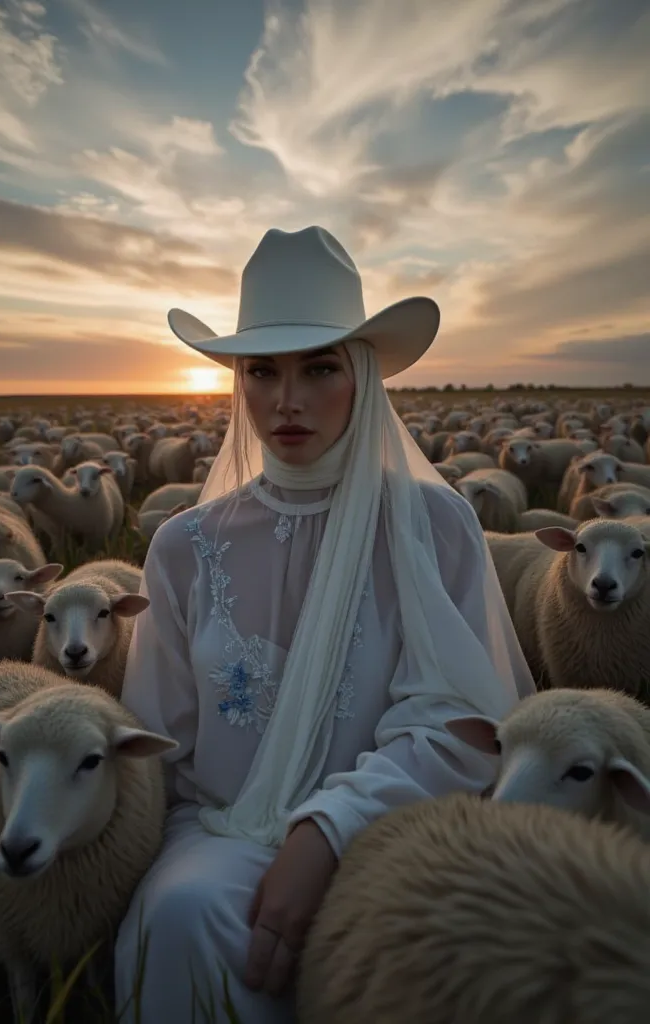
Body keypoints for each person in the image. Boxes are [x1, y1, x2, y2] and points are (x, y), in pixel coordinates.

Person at [114, 225, 534, 1023]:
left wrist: (327, 831)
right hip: (220, 833)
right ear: (237, 383)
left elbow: (460, 719)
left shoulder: (432, 527)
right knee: (185, 914)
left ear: (363, 376)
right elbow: (159, 743)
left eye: (319, 368)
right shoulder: (185, 547)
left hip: (394, 838)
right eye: (262, 371)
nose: (288, 400)